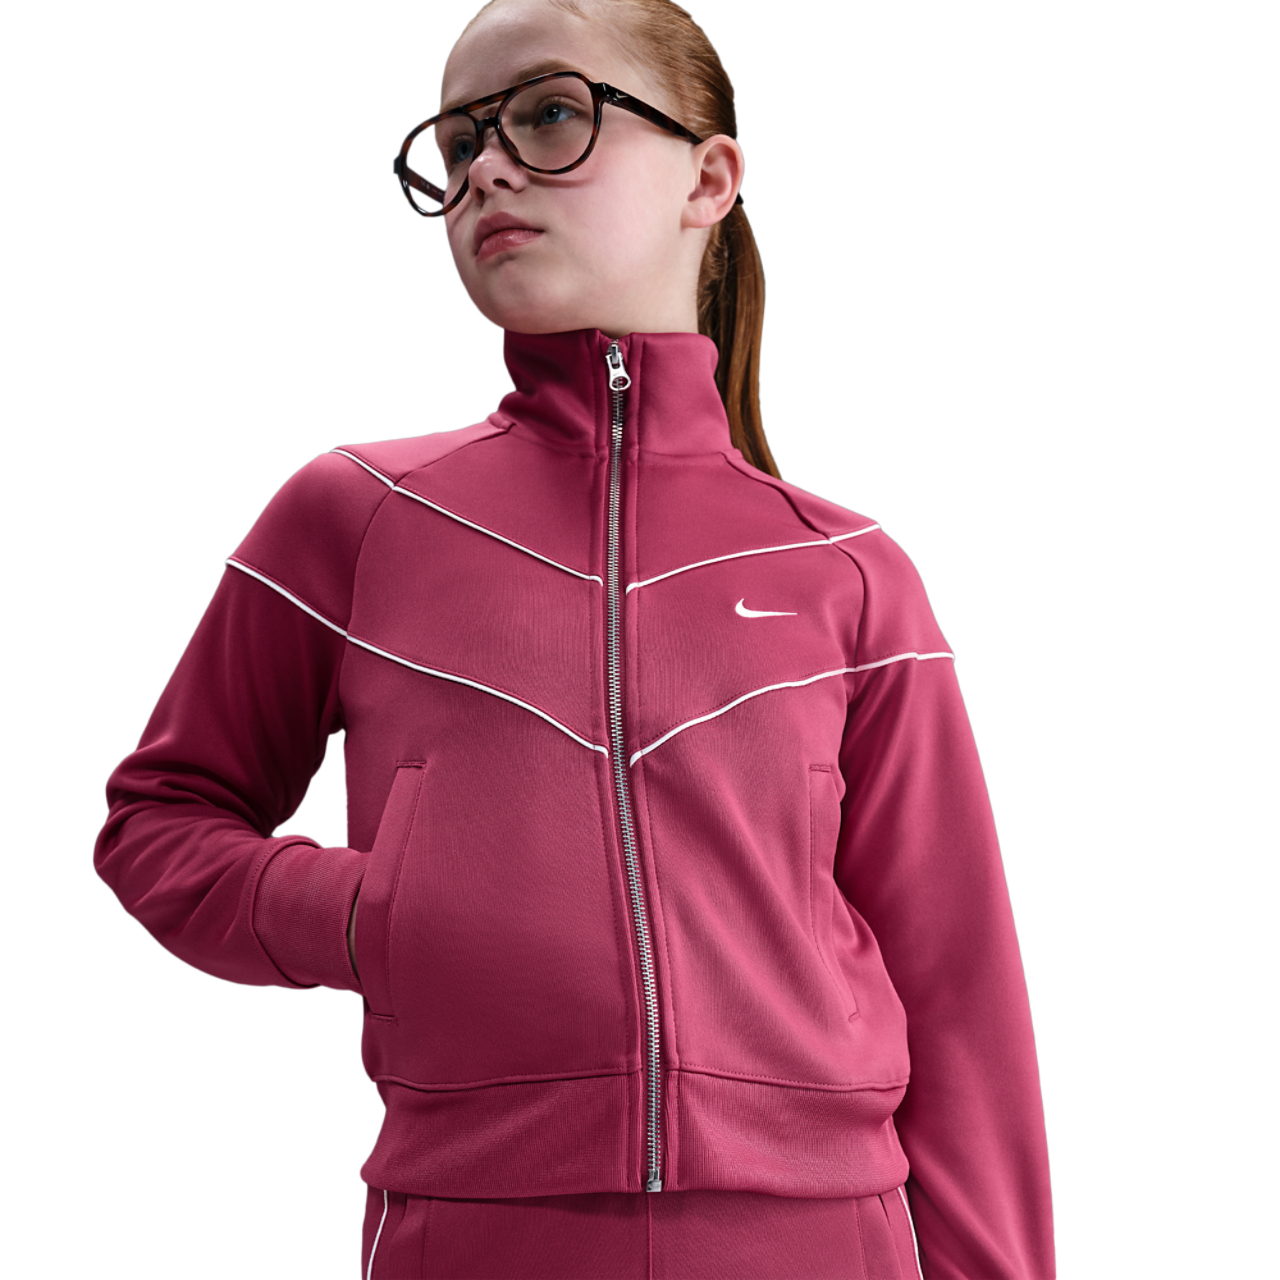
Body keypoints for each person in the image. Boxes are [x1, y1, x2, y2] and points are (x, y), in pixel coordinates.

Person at [94, 0, 1055, 1276]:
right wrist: (370, 913)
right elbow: (159, 820)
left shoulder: (842, 570)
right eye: (458, 141)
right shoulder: (359, 515)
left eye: (549, 114)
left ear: (707, 179)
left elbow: (957, 984)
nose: (485, 168)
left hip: (821, 1235)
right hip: (474, 1227)